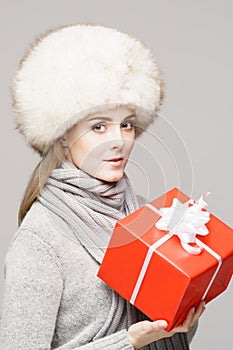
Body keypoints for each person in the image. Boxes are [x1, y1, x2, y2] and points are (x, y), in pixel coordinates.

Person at [0, 23, 205, 350]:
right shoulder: (41, 240)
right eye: (98, 126)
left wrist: (181, 310)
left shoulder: (146, 213)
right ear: (63, 135)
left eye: (126, 124)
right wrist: (130, 341)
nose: (119, 141)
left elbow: (170, 336)